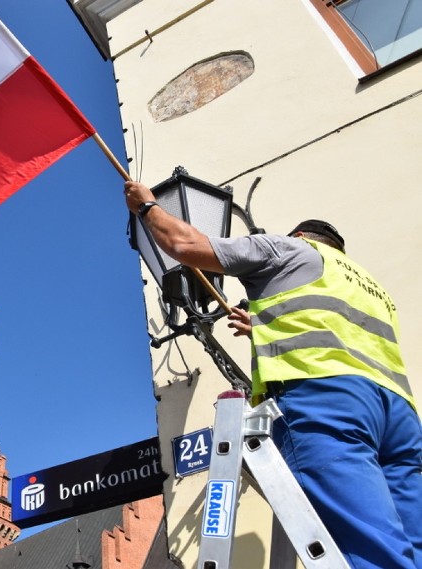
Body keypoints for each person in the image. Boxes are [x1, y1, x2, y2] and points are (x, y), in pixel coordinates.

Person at [124, 180, 422, 569]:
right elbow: (329, 327)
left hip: (328, 403)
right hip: (398, 418)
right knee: (411, 544)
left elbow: (185, 245)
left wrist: (147, 207)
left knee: (373, 552)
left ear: (300, 236)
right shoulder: (368, 285)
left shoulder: (285, 247)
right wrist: (262, 325)